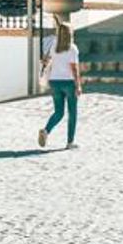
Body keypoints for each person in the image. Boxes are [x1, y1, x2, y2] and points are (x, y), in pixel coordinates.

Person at [38, 21, 82, 149]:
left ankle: (46, 130)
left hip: (54, 81)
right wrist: (78, 85)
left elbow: (48, 60)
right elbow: (74, 69)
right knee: (72, 113)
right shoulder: (72, 48)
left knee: (58, 112)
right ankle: (70, 142)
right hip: (68, 82)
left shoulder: (54, 46)